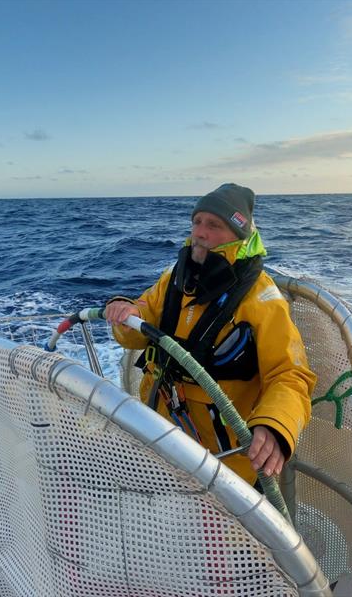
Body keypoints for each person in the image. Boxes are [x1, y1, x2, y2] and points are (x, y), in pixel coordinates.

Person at [105, 183, 316, 484]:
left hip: (226, 466)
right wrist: (127, 312)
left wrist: (274, 424)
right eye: (197, 222)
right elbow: (140, 324)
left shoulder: (261, 298)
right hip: (160, 440)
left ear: (238, 234)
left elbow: (290, 375)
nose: (200, 233)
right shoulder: (173, 279)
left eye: (214, 225)